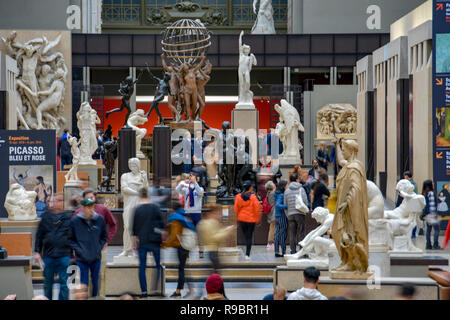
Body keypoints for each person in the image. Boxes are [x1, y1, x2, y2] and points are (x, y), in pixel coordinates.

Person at [74, 189, 117, 298]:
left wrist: (106, 240)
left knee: (100, 275)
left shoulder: (102, 209)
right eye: (87, 198)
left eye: (92, 197)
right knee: (85, 278)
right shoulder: (78, 213)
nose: (90, 200)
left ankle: (100, 296)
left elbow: (113, 224)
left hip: (99, 248)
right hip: (83, 251)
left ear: (95, 198)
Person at [34, 193, 72, 300]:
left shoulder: (69, 217)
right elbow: (39, 236)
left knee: (65, 284)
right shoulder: (45, 217)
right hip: (48, 256)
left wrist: (74, 254)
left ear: (64, 202)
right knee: (47, 284)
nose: (56, 202)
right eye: (55, 200)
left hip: (64, 255)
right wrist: (36, 251)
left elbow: (73, 237)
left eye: (60, 200)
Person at [69, 198, 108, 298]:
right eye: (88, 207)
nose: (91, 210)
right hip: (82, 258)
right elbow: (71, 239)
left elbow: (104, 236)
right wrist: (79, 250)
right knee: (84, 283)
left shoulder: (100, 219)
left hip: (96, 257)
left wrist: (98, 247)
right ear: (83, 208)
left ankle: (94, 297)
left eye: (92, 207)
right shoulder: (75, 221)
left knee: (95, 281)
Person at [132, 188, 166, 297]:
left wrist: (134, 245)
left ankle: (144, 291)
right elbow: (162, 226)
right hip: (155, 240)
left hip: (142, 241)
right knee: (157, 265)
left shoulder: (137, 209)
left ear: (140, 195)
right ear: (148, 195)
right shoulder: (155, 208)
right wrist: (164, 240)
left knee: (142, 267)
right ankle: (156, 288)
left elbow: (133, 230)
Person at [162, 201, 197, 298]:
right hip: (185, 245)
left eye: (170, 208)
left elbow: (174, 236)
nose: (169, 210)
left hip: (181, 246)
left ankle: (181, 291)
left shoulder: (175, 218)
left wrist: (165, 245)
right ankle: (186, 290)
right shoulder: (182, 215)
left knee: (181, 269)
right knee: (182, 268)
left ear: (173, 209)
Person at [197, 204, 235, 274]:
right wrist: (226, 231)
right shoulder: (208, 223)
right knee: (215, 274)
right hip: (212, 251)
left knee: (214, 273)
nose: (220, 215)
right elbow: (213, 238)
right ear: (211, 213)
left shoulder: (210, 222)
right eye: (218, 213)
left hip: (213, 250)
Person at [176, 172, 205, 257]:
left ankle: (201, 251)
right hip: (188, 213)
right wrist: (182, 183)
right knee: (187, 232)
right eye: (191, 177)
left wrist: (195, 182)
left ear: (197, 179)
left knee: (199, 233)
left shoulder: (200, 188)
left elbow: (200, 193)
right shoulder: (186, 189)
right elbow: (177, 190)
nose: (191, 178)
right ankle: (187, 251)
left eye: (193, 177)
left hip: (197, 213)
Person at [234, 181, 263, 261]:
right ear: (250, 188)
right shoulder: (253, 197)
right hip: (251, 219)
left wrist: (237, 218)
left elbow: (236, 208)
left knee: (246, 236)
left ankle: (246, 249)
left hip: (242, 219)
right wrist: (257, 219)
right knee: (249, 236)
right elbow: (257, 208)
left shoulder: (238, 196)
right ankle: (247, 254)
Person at [284, 173, 308, 254]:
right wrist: (305, 211)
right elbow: (305, 201)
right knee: (301, 232)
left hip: (290, 214)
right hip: (300, 213)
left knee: (292, 233)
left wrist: (288, 214)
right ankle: (301, 250)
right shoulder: (301, 189)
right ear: (297, 179)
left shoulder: (287, 190)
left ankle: (293, 251)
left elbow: (285, 204)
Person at [421, 180, 441, 250]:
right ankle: (435, 245)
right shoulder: (431, 193)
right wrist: (434, 214)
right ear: (430, 185)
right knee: (436, 230)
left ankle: (428, 245)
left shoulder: (424, 193)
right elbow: (432, 204)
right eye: (432, 183)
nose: (433, 184)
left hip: (427, 214)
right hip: (432, 214)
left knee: (428, 230)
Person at [274, 180, 288, 258]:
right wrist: (287, 206)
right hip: (282, 216)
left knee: (278, 233)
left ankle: (276, 251)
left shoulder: (277, 193)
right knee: (283, 234)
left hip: (277, 216)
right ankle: (283, 251)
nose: (287, 187)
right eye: (286, 185)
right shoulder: (281, 195)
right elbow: (278, 205)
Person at [264, 181, 276, 250]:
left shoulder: (268, 194)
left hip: (271, 213)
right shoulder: (273, 193)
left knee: (272, 228)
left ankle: (271, 242)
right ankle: (270, 242)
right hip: (273, 213)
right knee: (272, 228)